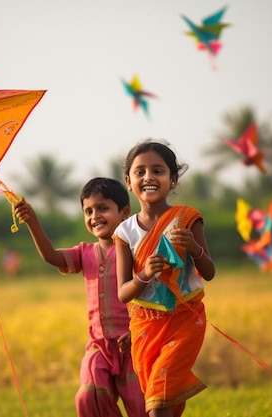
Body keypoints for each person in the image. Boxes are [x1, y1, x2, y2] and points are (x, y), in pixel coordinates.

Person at [14, 177, 148, 417]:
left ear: (125, 212)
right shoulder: (84, 252)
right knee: (89, 396)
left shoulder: (137, 251)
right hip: (99, 346)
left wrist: (138, 331)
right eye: (88, 211)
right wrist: (32, 222)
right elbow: (51, 256)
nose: (94, 216)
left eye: (102, 208)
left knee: (142, 406)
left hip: (135, 344)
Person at [112, 139, 215, 417]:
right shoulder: (124, 232)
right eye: (140, 171)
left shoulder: (187, 218)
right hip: (145, 327)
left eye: (158, 171)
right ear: (128, 180)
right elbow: (123, 293)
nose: (148, 177)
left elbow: (209, 272)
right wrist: (145, 274)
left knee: (159, 398)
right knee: (162, 403)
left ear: (173, 179)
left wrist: (194, 247)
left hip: (185, 320)